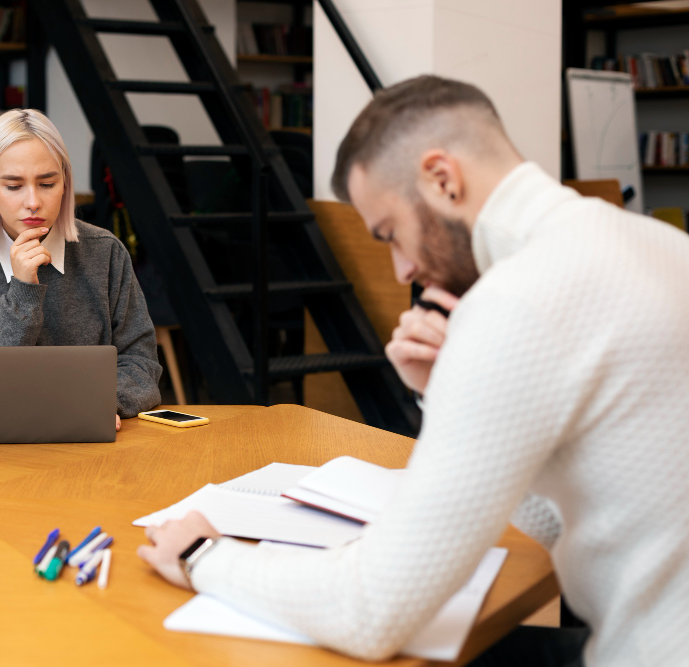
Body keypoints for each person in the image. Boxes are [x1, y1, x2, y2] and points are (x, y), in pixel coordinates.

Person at [137, 75, 689, 666]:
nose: (401, 270)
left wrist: (203, 556)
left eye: (392, 233)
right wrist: (450, 388)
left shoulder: (514, 301)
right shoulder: (658, 244)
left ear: (443, 179)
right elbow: (577, 514)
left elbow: (372, 611)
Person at [0, 109, 162, 428]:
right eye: (14, 186)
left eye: (47, 183)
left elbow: (141, 361)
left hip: (89, 438)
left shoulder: (106, 252)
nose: (33, 201)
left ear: (65, 182)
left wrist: (103, 403)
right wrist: (22, 292)